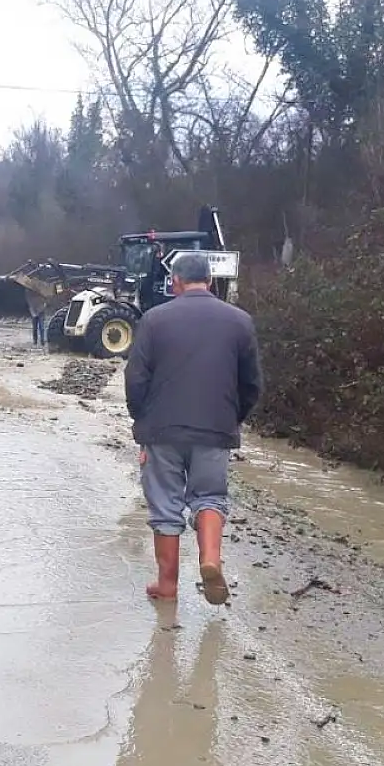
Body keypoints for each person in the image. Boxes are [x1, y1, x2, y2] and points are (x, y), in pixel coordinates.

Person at [123, 252, 262, 605]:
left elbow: (135, 379)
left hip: (162, 429)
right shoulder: (240, 321)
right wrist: (232, 419)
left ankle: (167, 586)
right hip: (215, 427)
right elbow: (252, 385)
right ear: (211, 282)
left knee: (165, 507)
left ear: (175, 282)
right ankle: (211, 559)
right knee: (211, 497)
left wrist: (142, 424)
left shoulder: (154, 320)